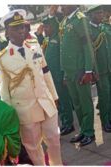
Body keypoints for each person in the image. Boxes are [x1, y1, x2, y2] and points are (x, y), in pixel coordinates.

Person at [0, 9, 62, 165]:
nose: (21, 30)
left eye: (23, 27)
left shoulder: (34, 46)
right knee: (33, 148)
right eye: (16, 28)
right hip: (25, 111)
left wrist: (54, 95)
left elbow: (45, 72)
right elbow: (4, 93)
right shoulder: (2, 59)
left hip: (46, 102)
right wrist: (11, 117)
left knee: (54, 140)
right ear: (7, 32)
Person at [60, 5, 95, 146]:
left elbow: (88, 46)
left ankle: (89, 133)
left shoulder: (81, 19)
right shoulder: (65, 22)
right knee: (77, 104)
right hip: (69, 72)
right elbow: (64, 49)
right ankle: (83, 130)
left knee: (85, 103)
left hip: (80, 70)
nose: (62, 7)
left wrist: (88, 70)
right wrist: (64, 73)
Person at [42, 15, 75, 135]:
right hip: (51, 78)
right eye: (44, 26)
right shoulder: (47, 40)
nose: (45, 29)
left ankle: (69, 124)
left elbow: (64, 57)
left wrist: (65, 74)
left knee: (64, 100)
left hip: (59, 76)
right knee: (57, 102)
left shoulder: (60, 38)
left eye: (47, 26)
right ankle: (64, 121)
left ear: (54, 27)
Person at [87, 5, 111, 132]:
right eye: (98, 13)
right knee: (104, 95)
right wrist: (92, 70)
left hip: (109, 67)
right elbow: (89, 53)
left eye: (102, 13)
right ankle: (105, 121)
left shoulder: (105, 27)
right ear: (91, 15)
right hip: (100, 70)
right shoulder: (88, 31)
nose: (101, 15)